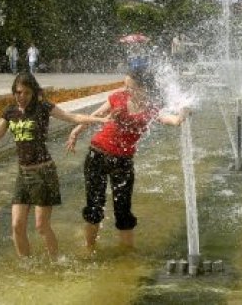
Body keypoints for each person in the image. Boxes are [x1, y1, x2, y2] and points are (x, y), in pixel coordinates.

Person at [0, 72, 109, 260]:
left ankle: (56, 262)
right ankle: (26, 265)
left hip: (44, 173)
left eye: (25, 93)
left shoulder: (42, 108)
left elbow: (72, 117)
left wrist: (100, 120)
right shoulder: (10, 112)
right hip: (23, 174)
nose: (21, 97)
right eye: (17, 92)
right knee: (16, 225)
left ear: (33, 93)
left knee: (41, 226)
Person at [66, 69, 190, 251]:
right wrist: (76, 131)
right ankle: (89, 249)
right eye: (125, 86)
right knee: (94, 208)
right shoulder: (117, 98)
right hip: (97, 155)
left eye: (130, 87)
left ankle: (126, 258)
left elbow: (173, 120)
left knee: (123, 211)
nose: (126, 90)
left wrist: (182, 113)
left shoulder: (151, 109)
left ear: (144, 88)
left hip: (123, 162)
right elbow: (95, 115)